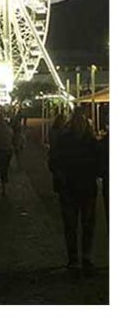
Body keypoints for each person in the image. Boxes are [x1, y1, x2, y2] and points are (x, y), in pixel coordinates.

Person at [49, 109, 100, 273]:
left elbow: (53, 161)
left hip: (71, 189)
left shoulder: (66, 140)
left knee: (73, 226)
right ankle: (83, 257)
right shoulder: (91, 142)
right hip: (82, 188)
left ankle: (75, 259)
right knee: (85, 226)